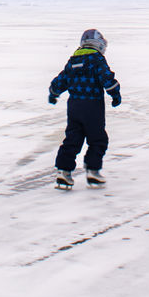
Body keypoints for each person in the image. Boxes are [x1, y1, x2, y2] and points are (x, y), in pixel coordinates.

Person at [48, 28, 121, 188]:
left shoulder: (73, 61)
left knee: (73, 139)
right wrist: (115, 94)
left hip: (74, 107)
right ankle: (92, 171)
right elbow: (106, 78)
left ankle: (63, 171)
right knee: (98, 139)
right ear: (99, 45)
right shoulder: (96, 59)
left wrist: (53, 92)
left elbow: (61, 79)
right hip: (92, 106)